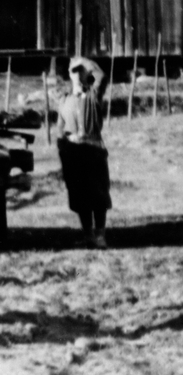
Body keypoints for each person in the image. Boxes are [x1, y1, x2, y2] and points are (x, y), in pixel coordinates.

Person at [57, 56, 110, 247]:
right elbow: (60, 129)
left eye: (81, 71)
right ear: (69, 76)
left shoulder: (94, 94)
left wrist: (83, 60)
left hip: (94, 150)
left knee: (98, 194)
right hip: (73, 152)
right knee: (79, 194)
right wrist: (63, 151)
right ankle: (87, 235)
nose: (78, 75)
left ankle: (100, 235)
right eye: (74, 71)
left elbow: (101, 75)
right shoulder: (64, 100)